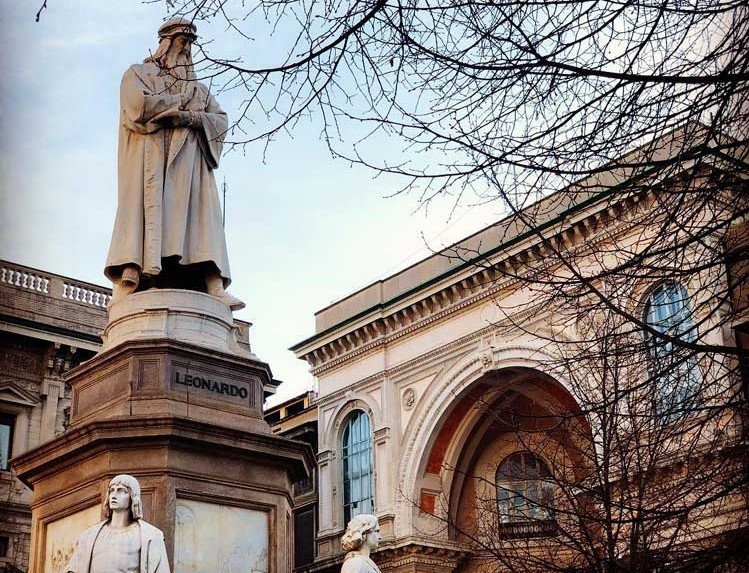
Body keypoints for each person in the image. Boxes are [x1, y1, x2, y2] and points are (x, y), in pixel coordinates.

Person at [105, 18, 243, 310]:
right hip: (149, 162)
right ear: (165, 42)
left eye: (190, 45)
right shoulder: (138, 74)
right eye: (182, 42)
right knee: (143, 215)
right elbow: (138, 108)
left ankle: (212, 282)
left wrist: (190, 118)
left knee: (200, 219)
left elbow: (220, 121)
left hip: (189, 167)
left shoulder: (200, 91)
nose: (186, 50)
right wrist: (177, 103)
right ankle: (131, 270)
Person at [66, 474, 170, 573]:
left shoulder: (151, 536)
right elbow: (73, 569)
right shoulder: (89, 535)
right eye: (112, 490)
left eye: (121, 490)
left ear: (133, 497)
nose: (114, 495)